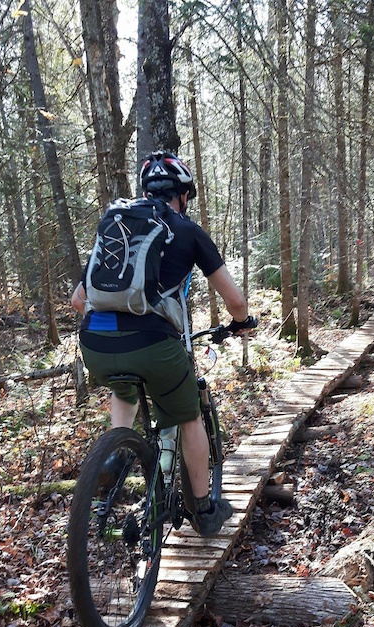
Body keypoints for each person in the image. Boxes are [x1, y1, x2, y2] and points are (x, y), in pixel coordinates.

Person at [71, 151, 255, 536]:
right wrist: (241, 323)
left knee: (123, 387)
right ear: (183, 195)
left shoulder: (119, 228)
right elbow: (235, 302)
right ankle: (204, 511)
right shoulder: (187, 230)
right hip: (155, 346)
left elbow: (78, 300)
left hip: (96, 343)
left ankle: (117, 452)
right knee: (188, 416)